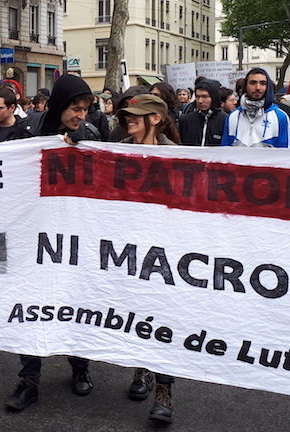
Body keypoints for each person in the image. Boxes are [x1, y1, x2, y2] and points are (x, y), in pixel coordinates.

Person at [6, 74, 100, 413]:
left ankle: (80, 368)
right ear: (61, 104)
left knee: (75, 305)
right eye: (76, 108)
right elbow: (7, 168)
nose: (80, 116)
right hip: (32, 233)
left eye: (86, 110)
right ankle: (28, 382)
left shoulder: (89, 135)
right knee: (30, 308)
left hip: (72, 236)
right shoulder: (29, 130)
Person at [117, 94, 178, 422]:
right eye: (128, 115)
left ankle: (164, 391)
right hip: (129, 248)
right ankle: (141, 368)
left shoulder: (176, 156)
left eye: (136, 115)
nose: (129, 120)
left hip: (166, 251)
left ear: (155, 118)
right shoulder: (118, 149)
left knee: (164, 316)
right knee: (138, 312)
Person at [221, 68, 290, 148]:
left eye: (263, 83)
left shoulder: (280, 117)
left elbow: (285, 154)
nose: (258, 87)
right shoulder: (233, 117)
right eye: (253, 83)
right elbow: (225, 153)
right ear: (246, 86)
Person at [177, 78, 225, 146]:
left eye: (204, 96)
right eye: (197, 96)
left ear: (214, 97)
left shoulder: (225, 121)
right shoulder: (186, 120)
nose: (200, 101)